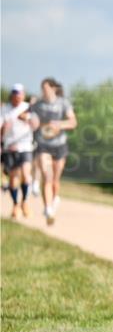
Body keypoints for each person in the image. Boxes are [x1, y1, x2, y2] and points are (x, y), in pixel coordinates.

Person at [31, 78, 76, 225]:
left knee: (55, 179)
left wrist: (60, 124)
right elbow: (31, 119)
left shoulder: (63, 103)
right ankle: (48, 208)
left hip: (59, 145)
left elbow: (73, 122)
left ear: (54, 88)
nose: (44, 91)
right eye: (42, 88)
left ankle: (54, 198)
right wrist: (32, 121)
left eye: (46, 88)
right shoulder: (37, 105)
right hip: (43, 144)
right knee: (46, 175)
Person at [1, 84, 38, 218]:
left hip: (25, 146)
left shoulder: (28, 108)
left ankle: (25, 202)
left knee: (26, 174)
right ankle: (16, 204)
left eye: (19, 93)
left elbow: (36, 125)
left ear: (23, 95)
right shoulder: (5, 110)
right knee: (12, 179)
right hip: (10, 147)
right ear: (12, 95)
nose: (17, 96)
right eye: (15, 93)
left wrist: (27, 118)